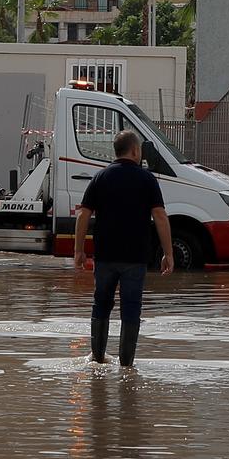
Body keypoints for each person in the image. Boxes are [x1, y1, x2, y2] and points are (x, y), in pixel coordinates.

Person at [73, 130, 173, 368]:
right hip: (135, 257)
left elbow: (83, 215)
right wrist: (168, 253)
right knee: (131, 308)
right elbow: (159, 215)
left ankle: (97, 358)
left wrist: (79, 250)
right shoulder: (147, 179)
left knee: (101, 305)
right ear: (136, 151)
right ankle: (126, 366)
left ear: (115, 152)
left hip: (106, 255)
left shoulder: (101, 177)